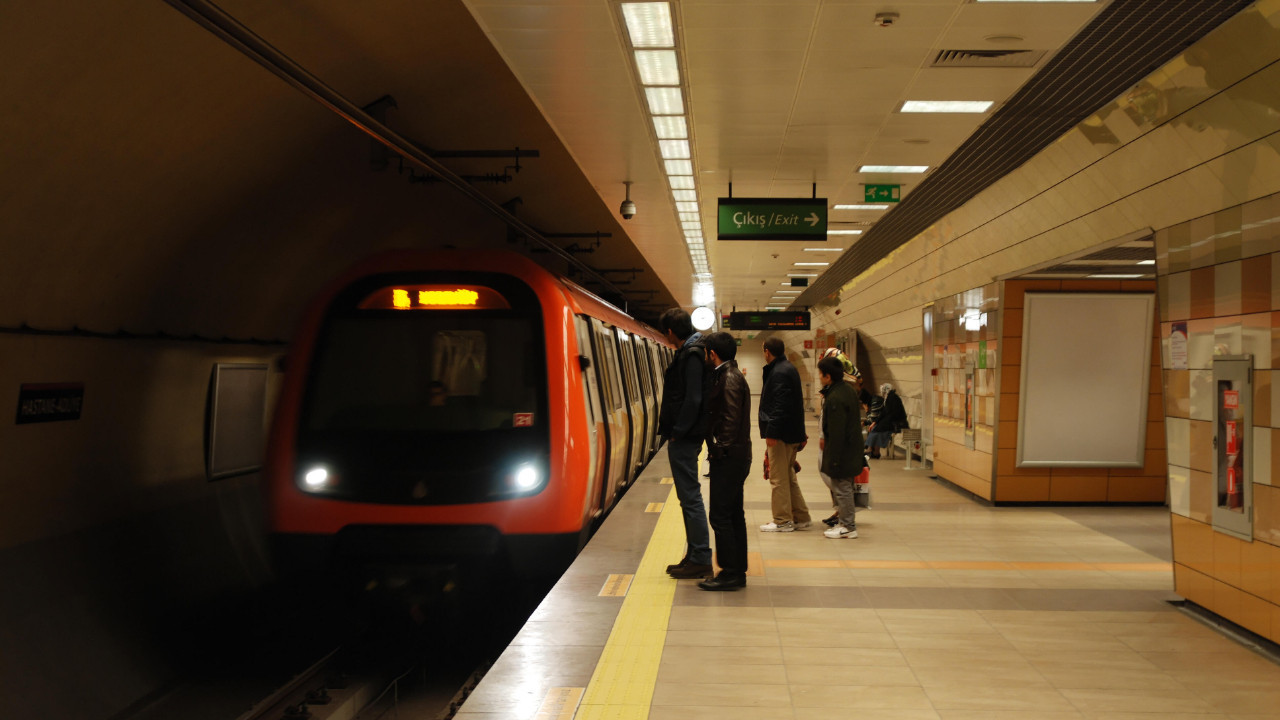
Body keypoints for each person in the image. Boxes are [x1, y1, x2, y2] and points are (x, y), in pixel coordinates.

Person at [657, 308, 713, 579]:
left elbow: (693, 398)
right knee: (687, 497)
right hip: (686, 434)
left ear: (670, 332)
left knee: (690, 497)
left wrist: (678, 431)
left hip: (685, 436)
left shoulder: (691, 354)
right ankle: (693, 555)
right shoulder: (693, 350)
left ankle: (700, 557)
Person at [698, 331, 752, 591]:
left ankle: (730, 572)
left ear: (712, 353)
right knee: (733, 514)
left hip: (729, 458)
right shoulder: (730, 374)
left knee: (721, 515)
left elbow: (730, 419)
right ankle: (736, 570)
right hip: (735, 455)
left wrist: (719, 449)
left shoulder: (729, 378)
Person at [758, 337, 811, 532]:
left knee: (778, 478)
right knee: (788, 476)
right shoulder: (787, 368)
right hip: (790, 432)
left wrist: (772, 431)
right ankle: (801, 517)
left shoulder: (779, 372)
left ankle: (783, 520)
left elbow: (780, 405)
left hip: (781, 435)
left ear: (767, 351)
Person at [817, 356, 864, 539]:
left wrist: (834, 459)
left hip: (843, 452)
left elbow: (836, 432)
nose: (819, 377)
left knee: (843, 489)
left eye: (821, 374)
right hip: (852, 448)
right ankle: (845, 523)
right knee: (845, 488)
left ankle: (848, 526)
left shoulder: (835, 398)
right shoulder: (847, 390)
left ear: (828, 376)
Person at [865, 382, 907, 459]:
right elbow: (883, 412)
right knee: (875, 427)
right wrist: (875, 422)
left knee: (878, 429)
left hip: (896, 423)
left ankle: (874, 450)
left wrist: (881, 422)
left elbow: (894, 414)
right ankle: (873, 450)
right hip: (891, 421)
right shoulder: (889, 398)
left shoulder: (893, 398)